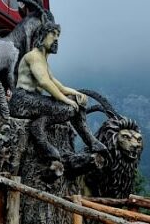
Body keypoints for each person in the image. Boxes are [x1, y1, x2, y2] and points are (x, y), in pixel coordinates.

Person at [9, 21, 107, 162]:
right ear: (42, 35)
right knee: (69, 109)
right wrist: (66, 100)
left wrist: (76, 94)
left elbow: (58, 85)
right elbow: (45, 82)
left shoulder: (43, 61)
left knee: (75, 104)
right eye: (53, 34)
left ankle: (92, 142)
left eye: (58, 35)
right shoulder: (34, 56)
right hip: (21, 101)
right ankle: (38, 128)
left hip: (31, 99)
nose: (56, 39)